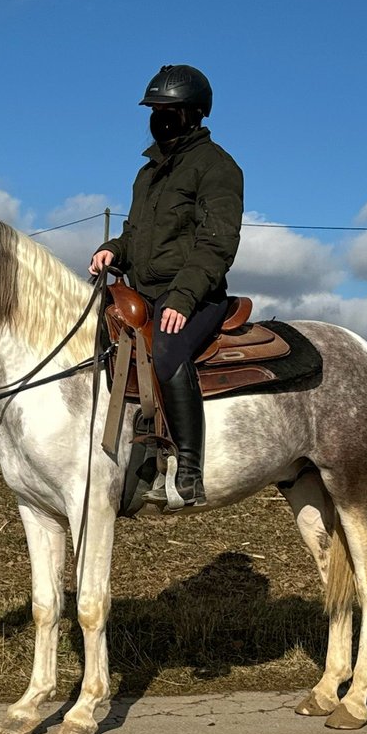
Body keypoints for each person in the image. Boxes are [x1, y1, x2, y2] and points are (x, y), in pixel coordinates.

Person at [90, 64, 244, 509]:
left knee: (169, 351)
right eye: (154, 111)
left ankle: (190, 470)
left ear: (195, 115)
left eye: (169, 112)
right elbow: (136, 233)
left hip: (195, 296)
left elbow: (217, 243)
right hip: (144, 294)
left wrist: (183, 295)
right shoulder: (148, 173)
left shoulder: (217, 168)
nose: (159, 119)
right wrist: (114, 251)